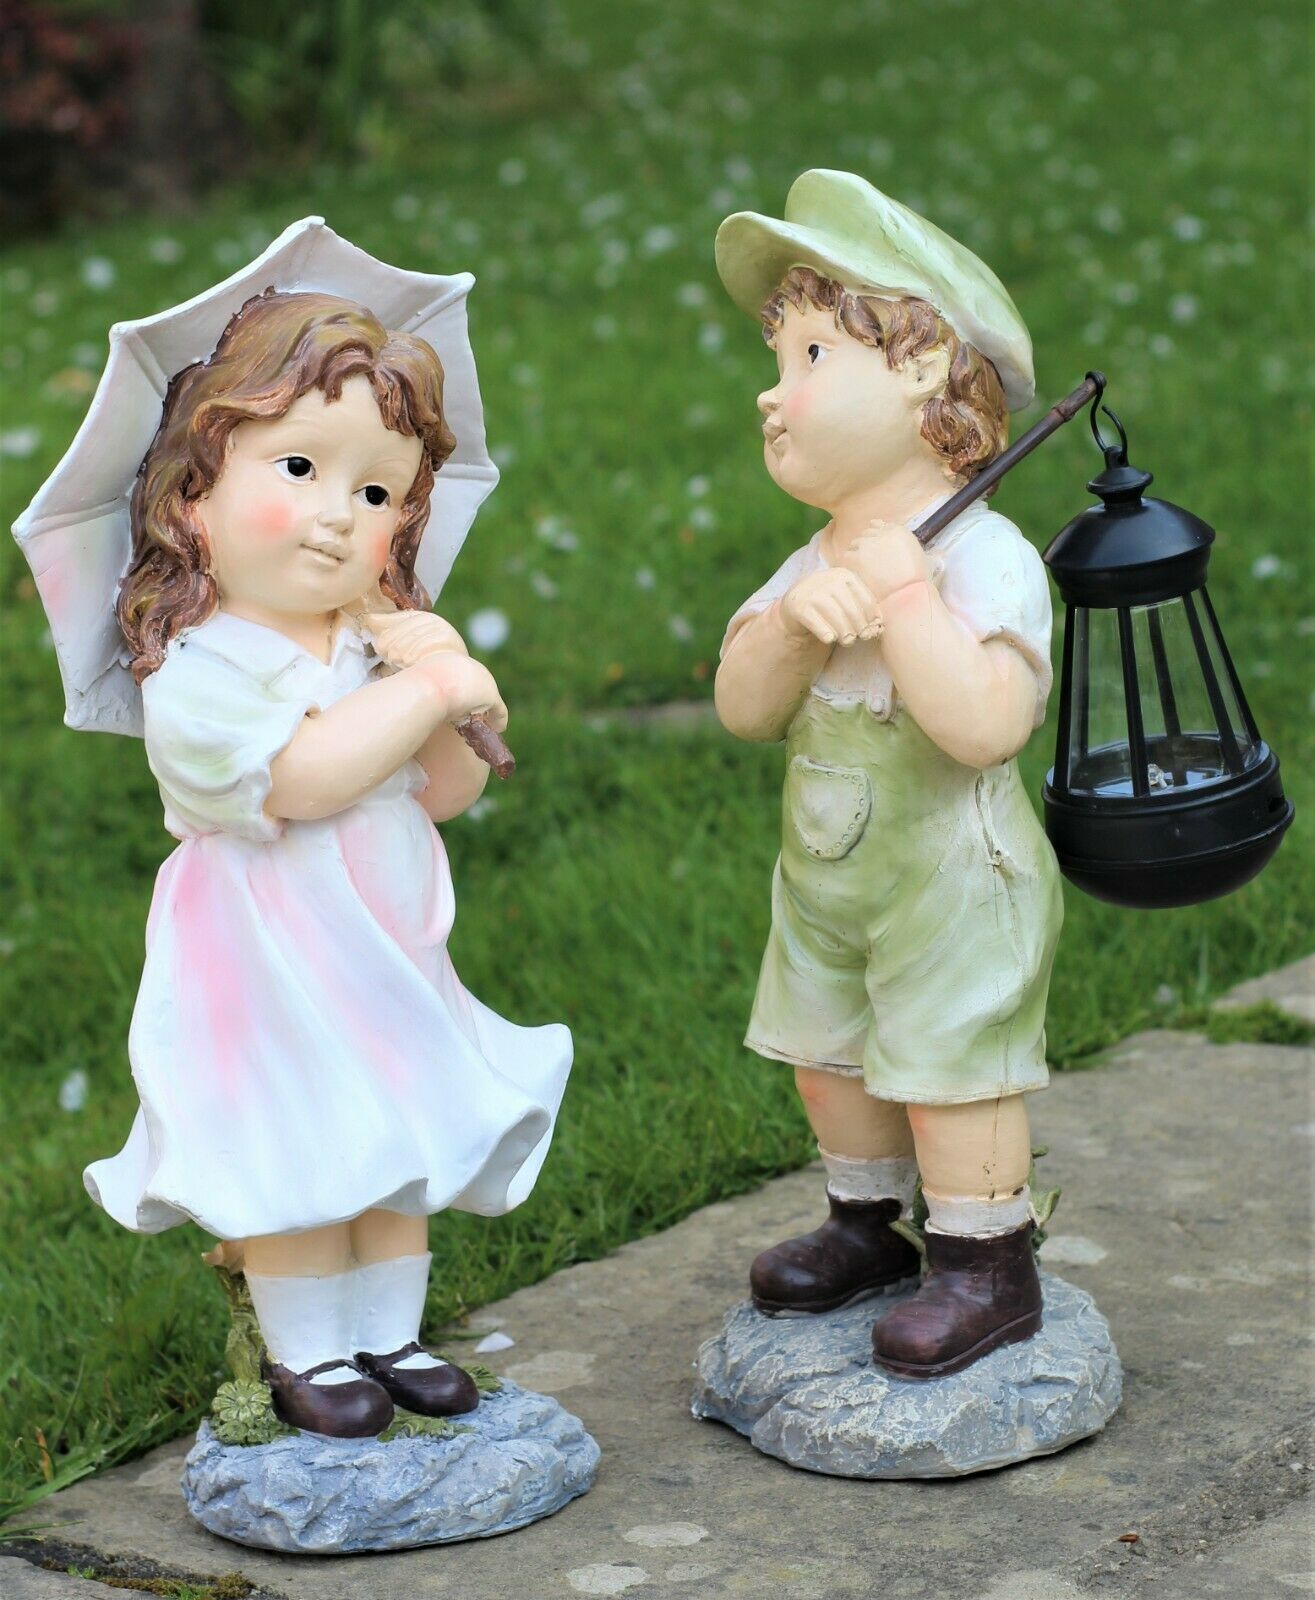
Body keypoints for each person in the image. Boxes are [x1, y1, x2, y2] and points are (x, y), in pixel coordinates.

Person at [73, 286, 571, 1436]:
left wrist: (438, 681)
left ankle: (390, 1334)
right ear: (192, 497)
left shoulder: (370, 638)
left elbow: (438, 793)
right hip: (268, 960)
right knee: (302, 1138)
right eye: (299, 470)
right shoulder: (197, 667)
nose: (342, 518)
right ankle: (309, 1353)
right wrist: (429, 690)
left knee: (394, 1130)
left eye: (379, 490)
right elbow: (299, 781)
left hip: (386, 946)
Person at [713, 171, 1064, 1380]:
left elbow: (984, 726)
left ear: (921, 373)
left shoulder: (985, 555)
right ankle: (864, 1222)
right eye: (778, 355)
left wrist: (907, 602)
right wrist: (794, 627)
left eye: (808, 352)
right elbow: (743, 708)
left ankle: (983, 1257)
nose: (772, 389)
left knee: (952, 1059)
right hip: (828, 868)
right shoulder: (809, 558)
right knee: (833, 1048)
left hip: (950, 877)